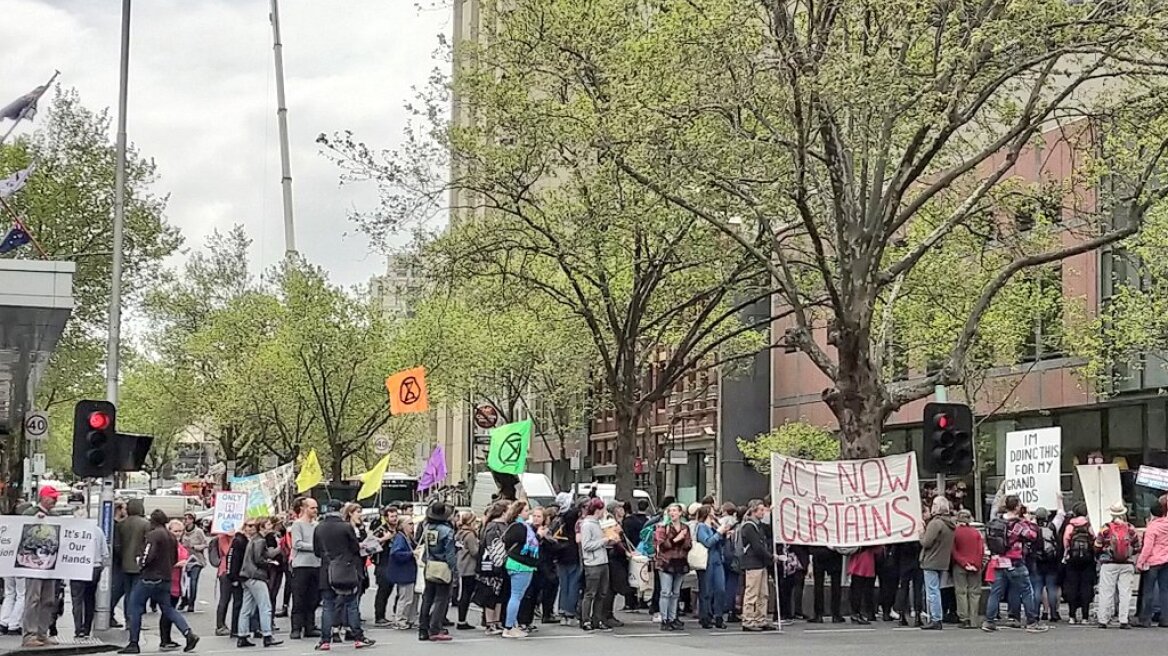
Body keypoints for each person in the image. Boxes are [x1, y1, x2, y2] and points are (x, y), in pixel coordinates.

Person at [119, 510, 200, 654]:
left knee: (135, 606)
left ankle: (133, 643)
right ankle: (188, 633)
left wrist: (141, 563)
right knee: (168, 608)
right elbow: (174, 558)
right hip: (165, 578)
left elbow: (147, 555)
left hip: (149, 577)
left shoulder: (153, 535)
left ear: (153, 521)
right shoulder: (171, 537)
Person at [313, 500, 373, 651]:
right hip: (346, 569)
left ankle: (325, 640)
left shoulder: (319, 527)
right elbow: (355, 548)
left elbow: (316, 551)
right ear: (340, 510)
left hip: (327, 570)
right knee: (351, 604)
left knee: (328, 606)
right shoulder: (345, 527)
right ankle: (358, 637)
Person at [981, 495, 1046, 633]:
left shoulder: (996, 521)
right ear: (1017, 507)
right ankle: (1032, 621)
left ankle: (989, 621)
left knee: (995, 592)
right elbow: (1032, 536)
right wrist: (1029, 521)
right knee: (1026, 591)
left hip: (999, 561)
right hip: (1014, 561)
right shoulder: (1018, 524)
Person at [21, 486, 62, 648]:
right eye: (52, 497)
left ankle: (42, 633)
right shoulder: (30, 513)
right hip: (33, 565)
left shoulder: (55, 516)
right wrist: (34, 521)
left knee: (48, 599)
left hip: (49, 565)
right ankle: (29, 634)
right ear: (43, 498)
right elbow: (21, 530)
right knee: (33, 598)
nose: (55, 500)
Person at [237, 518, 283, 648]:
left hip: (246, 575)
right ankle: (267, 635)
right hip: (256, 576)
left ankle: (242, 635)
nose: (271, 527)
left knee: (246, 608)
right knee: (265, 606)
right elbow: (259, 559)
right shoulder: (261, 541)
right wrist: (269, 563)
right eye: (268, 525)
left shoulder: (254, 539)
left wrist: (277, 550)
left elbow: (265, 554)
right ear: (261, 527)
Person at [1095, 501, 1141, 629]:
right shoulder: (1130, 528)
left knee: (1106, 591)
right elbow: (1137, 546)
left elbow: (1097, 545)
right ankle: (1123, 619)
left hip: (1108, 563)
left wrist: (1102, 553)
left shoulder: (1105, 528)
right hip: (1127, 564)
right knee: (1125, 592)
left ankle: (1103, 619)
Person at [417, 502, 457, 642]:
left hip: (430, 564)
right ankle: (435, 628)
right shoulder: (447, 531)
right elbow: (450, 553)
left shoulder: (427, 527)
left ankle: (423, 628)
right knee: (442, 598)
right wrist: (453, 569)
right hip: (442, 565)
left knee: (427, 597)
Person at [501, 501, 541, 638]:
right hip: (521, 565)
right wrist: (539, 536)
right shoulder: (521, 528)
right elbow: (525, 544)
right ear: (519, 512)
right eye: (526, 510)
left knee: (515, 596)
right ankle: (509, 627)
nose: (528, 513)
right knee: (516, 596)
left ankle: (512, 624)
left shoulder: (515, 526)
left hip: (514, 564)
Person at [374, 506, 416, 630]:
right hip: (383, 563)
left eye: (396, 516)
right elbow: (371, 544)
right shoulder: (381, 530)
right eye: (391, 516)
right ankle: (380, 616)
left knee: (401, 592)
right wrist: (384, 539)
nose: (394, 518)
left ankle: (399, 614)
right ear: (386, 518)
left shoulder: (403, 534)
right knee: (384, 591)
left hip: (396, 565)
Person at [919, 496, 956, 630]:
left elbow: (926, 542)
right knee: (936, 590)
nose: (932, 507)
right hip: (942, 561)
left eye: (934, 504)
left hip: (931, 560)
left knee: (932, 591)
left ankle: (935, 618)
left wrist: (921, 533)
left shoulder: (936, 524)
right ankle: (936, 617)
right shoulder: (950, 524)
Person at [474, 501, 511, 635]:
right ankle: (490, 623)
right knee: (491, 594)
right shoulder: (493, 527)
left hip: (500, 564)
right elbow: (492, 547)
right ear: (503, 512)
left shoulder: (501, 525)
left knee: (500, 594)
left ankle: (497, 621)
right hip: (491, 565)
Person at [579, 498, 615, 632]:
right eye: (602, 510)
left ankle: (597, 619)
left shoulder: (600, 523)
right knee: (590, 593)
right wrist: (604, 540)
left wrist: (610, 540)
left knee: (602, 593)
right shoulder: (587, 525)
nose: (603, 513)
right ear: (597, 510)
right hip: (592, 563)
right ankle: (586, 620)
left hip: (603, 561)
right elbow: (586, 545)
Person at [70, 513, 109, 638]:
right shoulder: (97, 531)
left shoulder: (71, 532)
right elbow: (105, 553)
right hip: (94, 567)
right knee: (90, 598)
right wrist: (101, 567)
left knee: (77, 599)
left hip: (76, 567)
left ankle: (78, 629)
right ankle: (87, 628)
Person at [738, 500, 774, 632]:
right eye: (761, 510)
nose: (763, 513)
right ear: (754, 511)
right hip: (753, 563)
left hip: (761, 563)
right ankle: (748, 619)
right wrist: (770, 556)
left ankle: (760, 619)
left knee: (763, 594)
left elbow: (770, 532)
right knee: (752, 593)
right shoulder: (749, 527)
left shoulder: (759, 526)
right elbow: (757, 546)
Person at [113, 498, 149, 628]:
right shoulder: (146, 524)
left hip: (124, 564)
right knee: (138, 595)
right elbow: (148, 544)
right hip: (140, 565)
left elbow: (117, 545)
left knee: (128, 593)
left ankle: (128, 619)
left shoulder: (121, 524)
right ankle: (134, 620)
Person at [289, 497, 321, 640]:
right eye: (312, 508)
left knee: (313, 597)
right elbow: (297, 544)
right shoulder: (297, 524)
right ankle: (296, 628)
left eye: (316, 508)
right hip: (301, 565)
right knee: (299, 598)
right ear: (304, 508)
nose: (315, 510)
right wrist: (316, 547)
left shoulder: (317, 525)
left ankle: (310, 626)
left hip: (316, 564)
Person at [548, 494, 582, 625]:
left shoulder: (558, 518)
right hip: (572, 553)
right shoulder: (572, 517)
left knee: (563, 585)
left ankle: (562, 611)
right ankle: (570, 612)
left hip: (560, 554)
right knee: (573, 584)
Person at [694, 505, 729, 629]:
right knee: (706, 590)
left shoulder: (714, 526)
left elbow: (721, 543)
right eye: (713, 511)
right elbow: (707, 542)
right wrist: (719, 533)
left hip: (717, 560)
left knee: (720, 589)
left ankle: (718, 616)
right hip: (706, 561)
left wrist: (724, 534)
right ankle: (705, 616)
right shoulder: (701, 527)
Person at [160, 520, 191, 651]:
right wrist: (177, 564)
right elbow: (162, 562)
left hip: (179, 581)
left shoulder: (179, 544)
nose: (178, 533)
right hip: (168, 580)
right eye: (175, 531)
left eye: (180, 531)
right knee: (168, 611)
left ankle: (167, 639)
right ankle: (164, 640)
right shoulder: (166, 545)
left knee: (170, 609)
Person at [1062, 502, 1095, 624]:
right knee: (1086, 587)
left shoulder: (1070, 526)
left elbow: (1066, 542)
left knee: (1072, 586)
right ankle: (1085, 617)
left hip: (1073, 560)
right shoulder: (1089, 526)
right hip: (1088, 560)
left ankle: (1072, 616)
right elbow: (1094, 540)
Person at [950, 510, 984, 629]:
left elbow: (953, 551)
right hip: (975, 566)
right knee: (974, 592)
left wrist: (964, 563)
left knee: (961, 592)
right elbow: (981, 550)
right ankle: (974, 619)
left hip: (960, 566)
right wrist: (976, 564)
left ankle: (964, 619)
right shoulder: (976, 533)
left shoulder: (955, 532)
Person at [1136, 501, 1168, 628]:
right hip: (1166, 560)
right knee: (1165, 590)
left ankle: (1145, 619)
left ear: (1152, 513)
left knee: (1148, 590)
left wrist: (1140, 562)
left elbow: (1147, 548)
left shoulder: (1152, 528)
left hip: (1153, 561)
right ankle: (1165, 618)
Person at [454, 511, 480, 630]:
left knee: (463, 592)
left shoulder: (459, 533)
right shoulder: (470, 535)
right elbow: (474, 552)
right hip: (469, 566)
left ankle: (461, 619)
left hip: (461, 564)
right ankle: (462, 620)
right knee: (466, 594)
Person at [180, 513, 208, 613]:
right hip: (185, 560)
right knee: (184, 582)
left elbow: (205, 544)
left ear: (193, 520)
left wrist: (195, 547)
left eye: (188, 519)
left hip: (196, 560)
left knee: (193, 581)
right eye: (185, 518)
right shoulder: (182, 531)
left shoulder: (198, 532)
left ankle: (191, 603)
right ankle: (184, 600)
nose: (186, 521)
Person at [846, 546, 879, 625]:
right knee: (863, 591)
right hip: (866, 564)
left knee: (858, 590)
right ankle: (861, 613)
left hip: (861, 564)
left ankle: (857, 613)